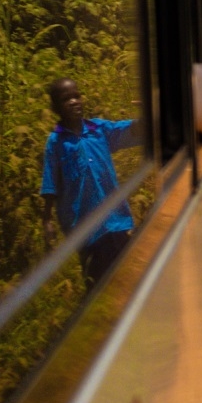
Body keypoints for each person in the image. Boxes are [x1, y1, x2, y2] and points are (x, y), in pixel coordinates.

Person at [40, 79, 142, 285]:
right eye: (65, 99)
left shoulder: (99, 130)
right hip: (85, 229)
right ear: (55, 107)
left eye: (76, 96)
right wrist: (47, 220)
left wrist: (147, 113)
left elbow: (131, 131)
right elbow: (50, 183)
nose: (73, 101)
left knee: (128, 280)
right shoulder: (56, 142)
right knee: (97, 283)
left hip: (116, 220)